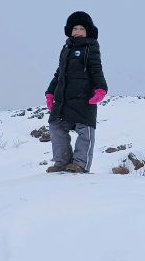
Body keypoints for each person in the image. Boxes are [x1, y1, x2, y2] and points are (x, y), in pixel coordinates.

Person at [45, 11, 108, 173]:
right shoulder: (65, 49)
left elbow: (96, 70)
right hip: (64, 99)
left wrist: (101, 88)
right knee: (55, 126)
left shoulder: (91, 47)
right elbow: (58, 73)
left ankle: (80, 163)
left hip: (84, 98)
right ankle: (62, 162)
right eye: (74, 28)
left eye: (81, 28)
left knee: (84, 130)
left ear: (87, 31)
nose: (77, 31)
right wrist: (50, 92)